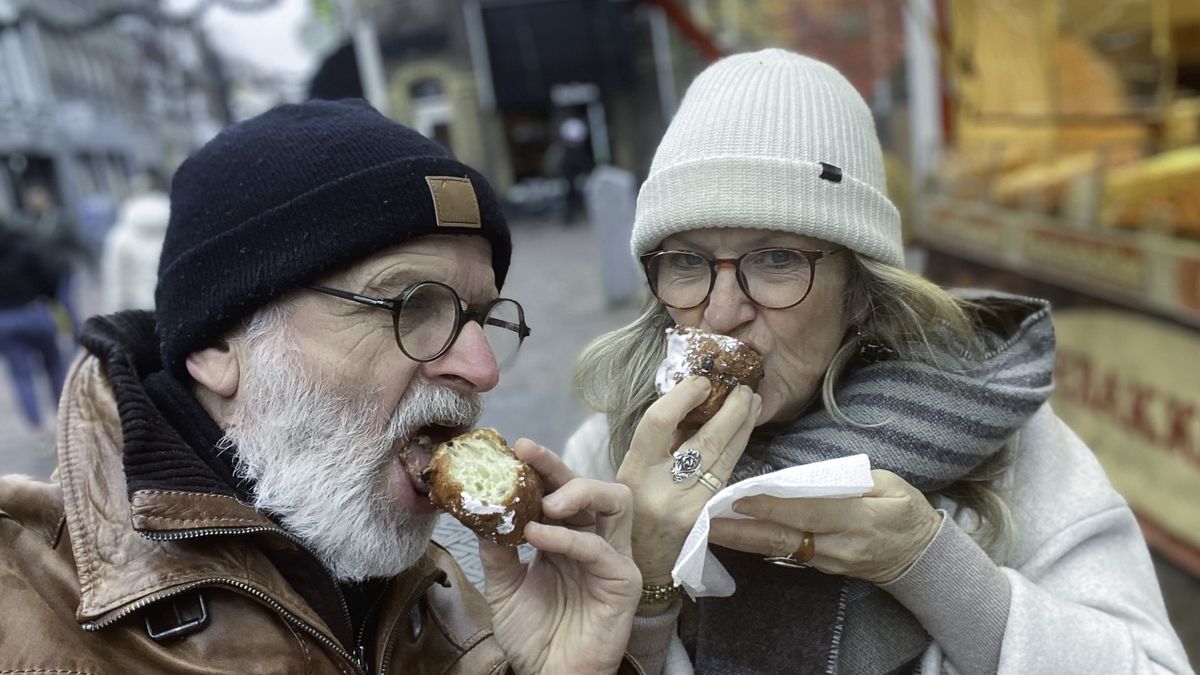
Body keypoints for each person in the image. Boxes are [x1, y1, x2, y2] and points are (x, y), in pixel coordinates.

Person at [565, 50, 1193, 674]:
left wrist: (926, 563)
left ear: (859, 292)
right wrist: (646, 583)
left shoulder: (997, 432)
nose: (722, 312)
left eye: (777, 258)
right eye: (686, 261)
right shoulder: (612, 457)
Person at [0, 99, 643, 674]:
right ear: (218, 344)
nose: (481, 369)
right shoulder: (23, 598)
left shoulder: (440, 588)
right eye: (410, 303)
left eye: (479, 318)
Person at [0, 218, 71, 427]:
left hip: (4, 320)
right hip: (34, 312)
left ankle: (37, 428)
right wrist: (48, 297)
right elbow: (50, 272)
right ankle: (64, 418)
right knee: (54, 365)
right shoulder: (23, 246)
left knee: (21, 375)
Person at [101, 169, 172, 312]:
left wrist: (115, 314)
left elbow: (116, 282)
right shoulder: (176, 225)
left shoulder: (121, 235)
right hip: (175, 304)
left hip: (141, 310)